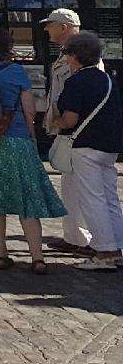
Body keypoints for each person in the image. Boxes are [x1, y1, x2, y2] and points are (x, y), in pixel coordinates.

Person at [0, 25, 64, 274]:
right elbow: (29, 110)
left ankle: (0, 253)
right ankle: (37, 257)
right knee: (27, 198)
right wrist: (32, 136)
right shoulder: (16, 71)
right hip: (15, 138)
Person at [55, 32, 123, 271]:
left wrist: (57, 123)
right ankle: (118, 245)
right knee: (110, 198)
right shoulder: (107, 80)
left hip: (86, 146)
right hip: (109, 145)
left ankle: (106, 251)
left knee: (92, 199)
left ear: (74, 57)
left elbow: (70, 119)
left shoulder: (76, 82)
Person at [42, 7, 102, 257]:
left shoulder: (84, 56)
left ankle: (96, 241)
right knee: (70, 186)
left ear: (64, 27)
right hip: (66, 127)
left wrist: (65, 120)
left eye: (51, 25)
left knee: (86, 189)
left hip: (77, 129)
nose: (47, 30)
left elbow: (84, 92)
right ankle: (75, 236)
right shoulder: (66, 54)